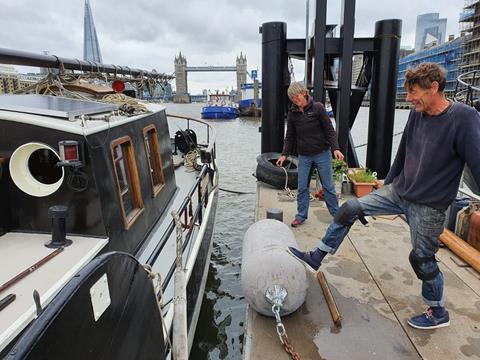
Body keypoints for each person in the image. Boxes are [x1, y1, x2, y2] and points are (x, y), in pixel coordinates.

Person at [288, 62, 480, 330]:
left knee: (422, 260)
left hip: (430, 204)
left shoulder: (465, 118)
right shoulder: (417, 113)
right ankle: (316, 257)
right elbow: (403, 151)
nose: (410, 99)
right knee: (349, 209)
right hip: (399, 191)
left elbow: (477, 163)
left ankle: (437, 311)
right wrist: (386, 186)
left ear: (434, 87)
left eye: (414, 93)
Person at [276, 82, 344, 227]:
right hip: (304, 155)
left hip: (322, 153)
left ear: (304, 93)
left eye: (296, 96)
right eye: (292, 98)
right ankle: (301, 216)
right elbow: (290, 136)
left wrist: (336, 148)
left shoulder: (318, 108)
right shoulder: (292, 113)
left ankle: (336, 215)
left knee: (328, 187)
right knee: (302, 187)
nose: (295, 100)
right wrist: (284, 154)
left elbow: (329, 130)